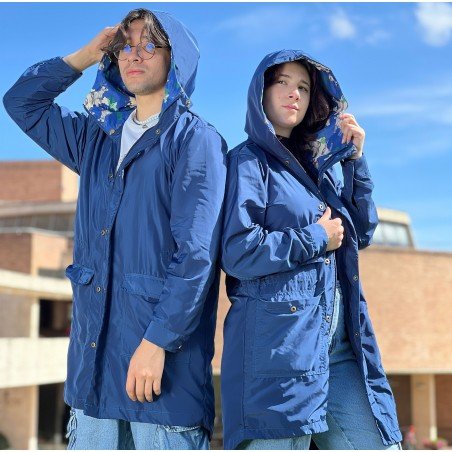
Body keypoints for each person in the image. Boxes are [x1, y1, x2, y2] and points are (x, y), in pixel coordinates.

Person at [3, 8, 226, 450]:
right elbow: (21, 102)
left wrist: (157, 343)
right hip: (92, 378)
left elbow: (196, 255)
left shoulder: (194, 140)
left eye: (149, 44)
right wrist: (85, 56)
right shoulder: (95, 138)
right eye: (125, 44)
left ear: (176, 58)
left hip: (160, 382)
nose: (134, 54)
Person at [220, 50, 403, 450]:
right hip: (280, 351)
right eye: (283, 82)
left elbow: (360, 233)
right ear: (261, 93)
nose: (294, 94)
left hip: (339, 348)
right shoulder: (248, 162)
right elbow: (237, 251)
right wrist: (315, 238)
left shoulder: (316, 172)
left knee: (381, 443)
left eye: (303, 87)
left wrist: (355, 161)